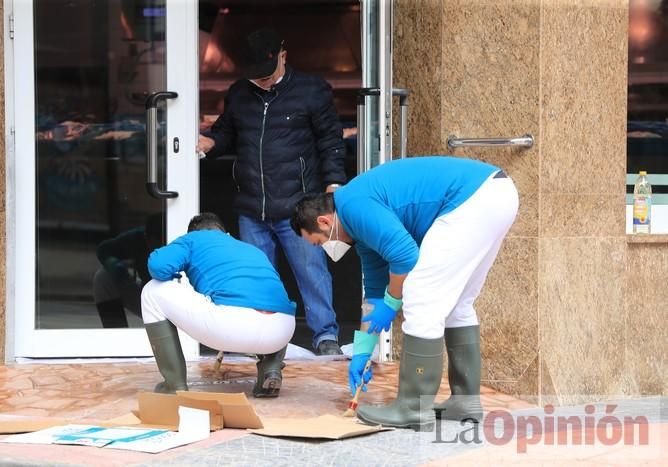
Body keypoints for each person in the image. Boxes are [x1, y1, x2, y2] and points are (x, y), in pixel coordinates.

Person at [290, 156, 519, 429]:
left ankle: (412, 407)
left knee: (421, 298)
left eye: (318, 242)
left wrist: (393, 300)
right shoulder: (359, 228)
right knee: (458, 304)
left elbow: (406, 256)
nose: (325, 248)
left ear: (325, 221)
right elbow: (373, 294)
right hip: (495, 194)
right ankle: (465, 402)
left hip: (471, 199)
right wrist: (363, 352)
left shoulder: (353, 205)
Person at [196, 28, 346, 356]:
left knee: (312, 274)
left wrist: (334, 186)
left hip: (298, 205)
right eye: (255, 78)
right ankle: (258, 342)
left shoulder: (312, 91)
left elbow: (331, 141)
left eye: (266, 76)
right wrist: (211, 143)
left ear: (283, 56)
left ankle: (325, 337)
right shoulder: (239, 92)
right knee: (255, 280)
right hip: (252, 206)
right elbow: (227, 133)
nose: (261, 82)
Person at [141, 212, 296, 398]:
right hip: (282, 332)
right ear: (225, 233)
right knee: (270, 299)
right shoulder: (250, 249)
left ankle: (174, 384)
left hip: (231, 325)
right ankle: (271, 370)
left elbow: (158, 266)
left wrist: (175, 277)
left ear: (194, 232)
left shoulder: (193, 239)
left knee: (152, 290)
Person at [93, 213, 163, 328]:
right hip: (150, 300)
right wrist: (115, 265)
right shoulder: (137, 239)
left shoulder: (183, 240)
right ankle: (116, 333)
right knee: (103, 277)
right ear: (146, 237)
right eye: (153, 246)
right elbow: (104, 249)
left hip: (180, 305)